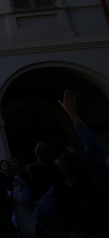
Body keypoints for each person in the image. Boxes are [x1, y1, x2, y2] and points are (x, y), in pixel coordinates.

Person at [34, 89, 108, 237]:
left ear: (61, 169)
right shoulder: (97, 173)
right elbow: (90, 141)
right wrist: (71, 112)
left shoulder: (58, 190)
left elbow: (41, 215)